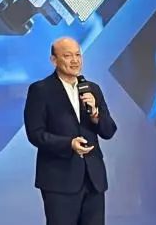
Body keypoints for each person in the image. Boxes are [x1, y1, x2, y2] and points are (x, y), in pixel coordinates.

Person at [23, 37, 117, 225]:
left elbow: (109, 131)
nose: (75, 61)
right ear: (54, 60)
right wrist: (69, 144)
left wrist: (95, 114)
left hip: (93, 179)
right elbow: (35, 134)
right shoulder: (40, 90)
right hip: (59, 180)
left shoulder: (92, 89)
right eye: (67, 56)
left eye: (78, 55)